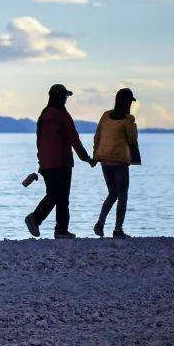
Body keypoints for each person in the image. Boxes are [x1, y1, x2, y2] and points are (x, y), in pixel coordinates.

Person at [25, 84, 96, 239]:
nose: (66, 99)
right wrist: (86, 158)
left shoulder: (43, 115)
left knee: (55, 195)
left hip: (46, 163)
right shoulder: (62, 116)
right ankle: (39, 220)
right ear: (60, 97)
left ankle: (58, 229)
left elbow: (40, 140)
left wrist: (41, 160)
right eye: (65, 96)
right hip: (61, 163)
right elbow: (74, 139)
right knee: (61, 197)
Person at [92, 88, 140, 238]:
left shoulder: (106, 116)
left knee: (113, 193)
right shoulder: (128, 120)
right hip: (119, 161)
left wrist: (95, 155)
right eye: (130, 101)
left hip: (104, 160)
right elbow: (132, 140)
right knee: (122, 195)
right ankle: (118, 230)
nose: (131, 105)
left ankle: (100, 223)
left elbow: (97, 136)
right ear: (126, 102)